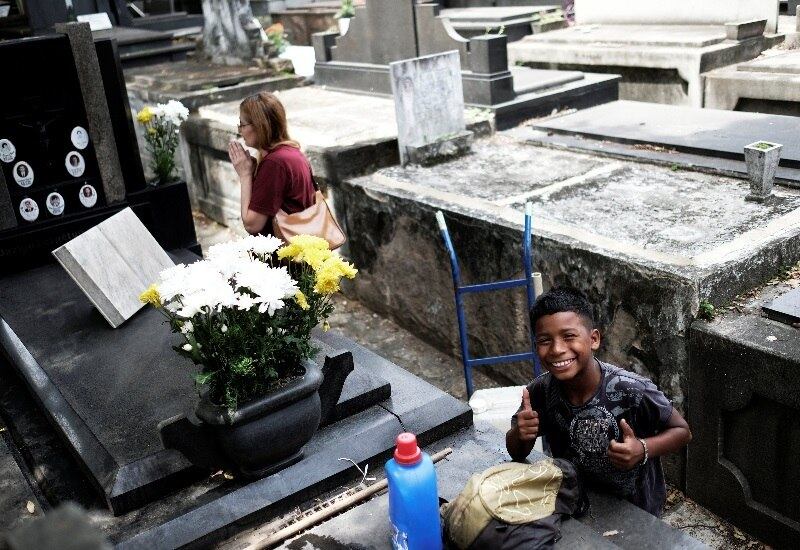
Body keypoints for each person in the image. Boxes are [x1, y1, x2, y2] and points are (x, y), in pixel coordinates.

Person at [506, 287, 691, 517]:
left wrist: (642, 449)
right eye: (545, 340)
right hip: (574, 502)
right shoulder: (541, 391)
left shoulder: (630, 389)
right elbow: (516, 451)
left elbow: (682, 431)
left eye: (569, 336)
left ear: (593, 339)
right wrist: (520, 434)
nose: (557, 349)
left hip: (636, 510)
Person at [227, 92, 315, 235]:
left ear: (259, 126)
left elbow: (252, 224)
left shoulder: (274, 164)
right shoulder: (292, 151)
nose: (240, 131)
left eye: (242, 124)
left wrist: (245, 175)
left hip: (285, 253)